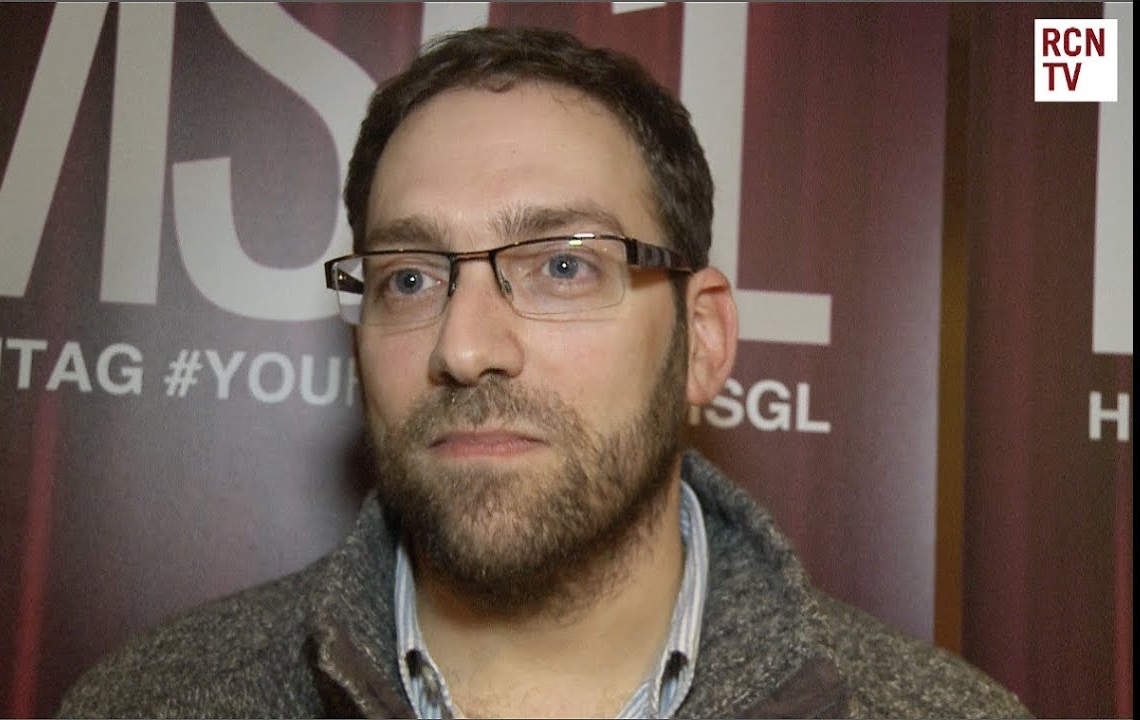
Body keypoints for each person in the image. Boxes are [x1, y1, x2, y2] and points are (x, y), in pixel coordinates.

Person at [59, 27, 1031, 719]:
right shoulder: (152, 701)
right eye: (407, 276)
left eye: (562, 266)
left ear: (700, 341)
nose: (465, 347)